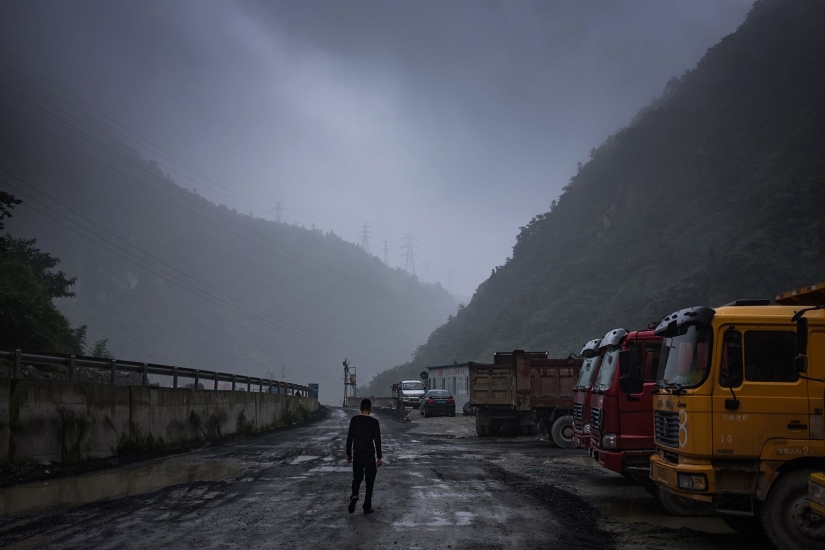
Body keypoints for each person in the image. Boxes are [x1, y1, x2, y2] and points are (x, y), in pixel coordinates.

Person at [345, 398, 382, 514]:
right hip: (369, 455)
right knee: (369, 481)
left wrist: (348, 454)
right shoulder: (374, 422)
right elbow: (377, 440)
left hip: (357, 454)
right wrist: (379, 457)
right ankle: (367, 505)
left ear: (360, 408)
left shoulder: (354, 420)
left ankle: (354, 495)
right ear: (370, 409)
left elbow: (349, 438)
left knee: (357, 478)